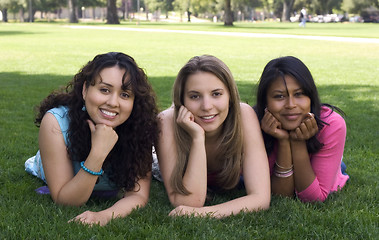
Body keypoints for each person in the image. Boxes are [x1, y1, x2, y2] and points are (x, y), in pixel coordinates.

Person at [25, 52, 158, 226]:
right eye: (104, 90)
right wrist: (98, 152)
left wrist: (103, 216)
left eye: (125, 94)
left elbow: (138, 195)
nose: (113, 102)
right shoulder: (56, 122)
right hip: (48, 164)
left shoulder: (141, 127)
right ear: (85, 89)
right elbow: (66, 200)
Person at [155, 55, 270, 217]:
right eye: (194, 96)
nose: (207, 106)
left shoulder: (243, 115)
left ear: (230, 95)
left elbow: (261, 198)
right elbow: (189, 202)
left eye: (216, 94)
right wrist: (197, 137)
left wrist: (205, 213)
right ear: (182, 100)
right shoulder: (166, 122)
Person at [254, 56, 349, 202]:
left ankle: (337, 169)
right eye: (279, 96)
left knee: (336, 168)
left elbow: (313, 198)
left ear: (310, 96)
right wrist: (284, 141)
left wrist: (298, 143)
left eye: (299, 94)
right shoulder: (252, 123)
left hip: (315, 166)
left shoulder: (332, 124)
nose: (291, 104)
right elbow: (281, 195)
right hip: (280, 172)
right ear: (265, 101)